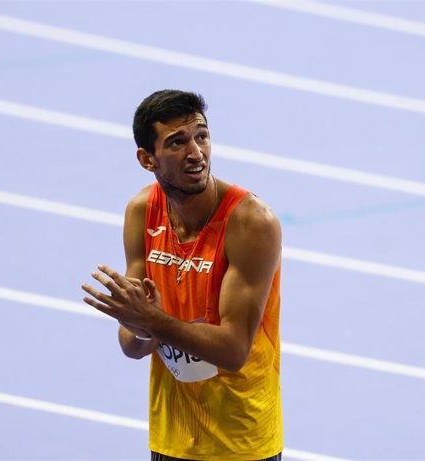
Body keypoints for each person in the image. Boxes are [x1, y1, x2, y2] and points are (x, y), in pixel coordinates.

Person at [81, 90, 283, 460]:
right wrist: (143, 327)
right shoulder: (142, 211)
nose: (196, 153)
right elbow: (132, 344)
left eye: (201, 136)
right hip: (171, 437)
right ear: (147, 159)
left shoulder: (251, 223)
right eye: (177, 142)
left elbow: (233, 349)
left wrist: (153, 321)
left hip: (241, 441)